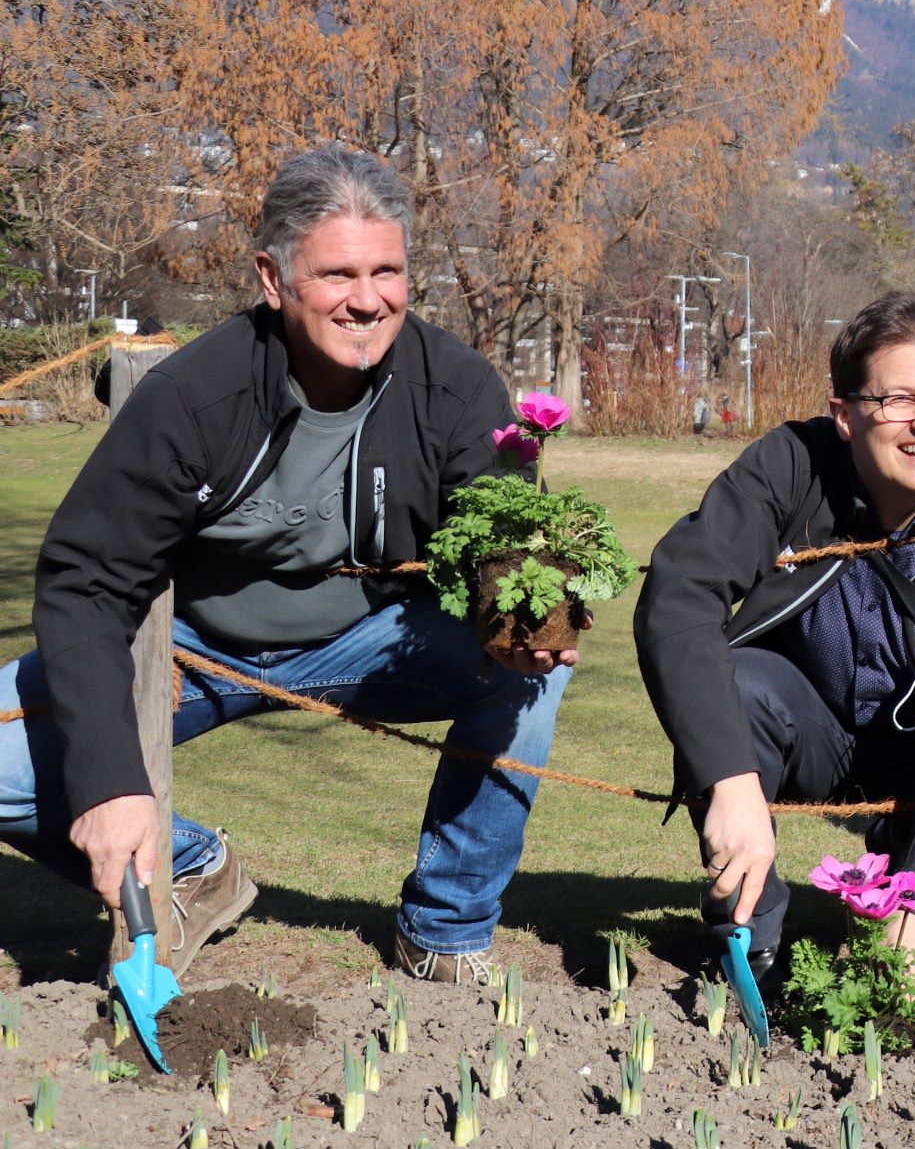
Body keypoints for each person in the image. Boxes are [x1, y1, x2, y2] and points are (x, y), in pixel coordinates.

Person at [1, 147, 574, 982]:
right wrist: (111, 781)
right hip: (190, 652)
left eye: (387, 271)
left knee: (529, 673)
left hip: (373, 642)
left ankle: (445, 931)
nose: (368, 299)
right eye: (338, 273)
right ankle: (192, 865)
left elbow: (505, 544)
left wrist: (527, 612)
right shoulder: (195, 396)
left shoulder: (453, 388)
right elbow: (88, 580)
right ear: (273, 278)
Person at [635, 292, 915, 996]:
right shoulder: (788, 468)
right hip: (807, 730)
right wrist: (728, 780)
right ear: (845, 414)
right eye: (901, 399)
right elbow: (679, 594)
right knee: (738, 683)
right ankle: (752, 937)